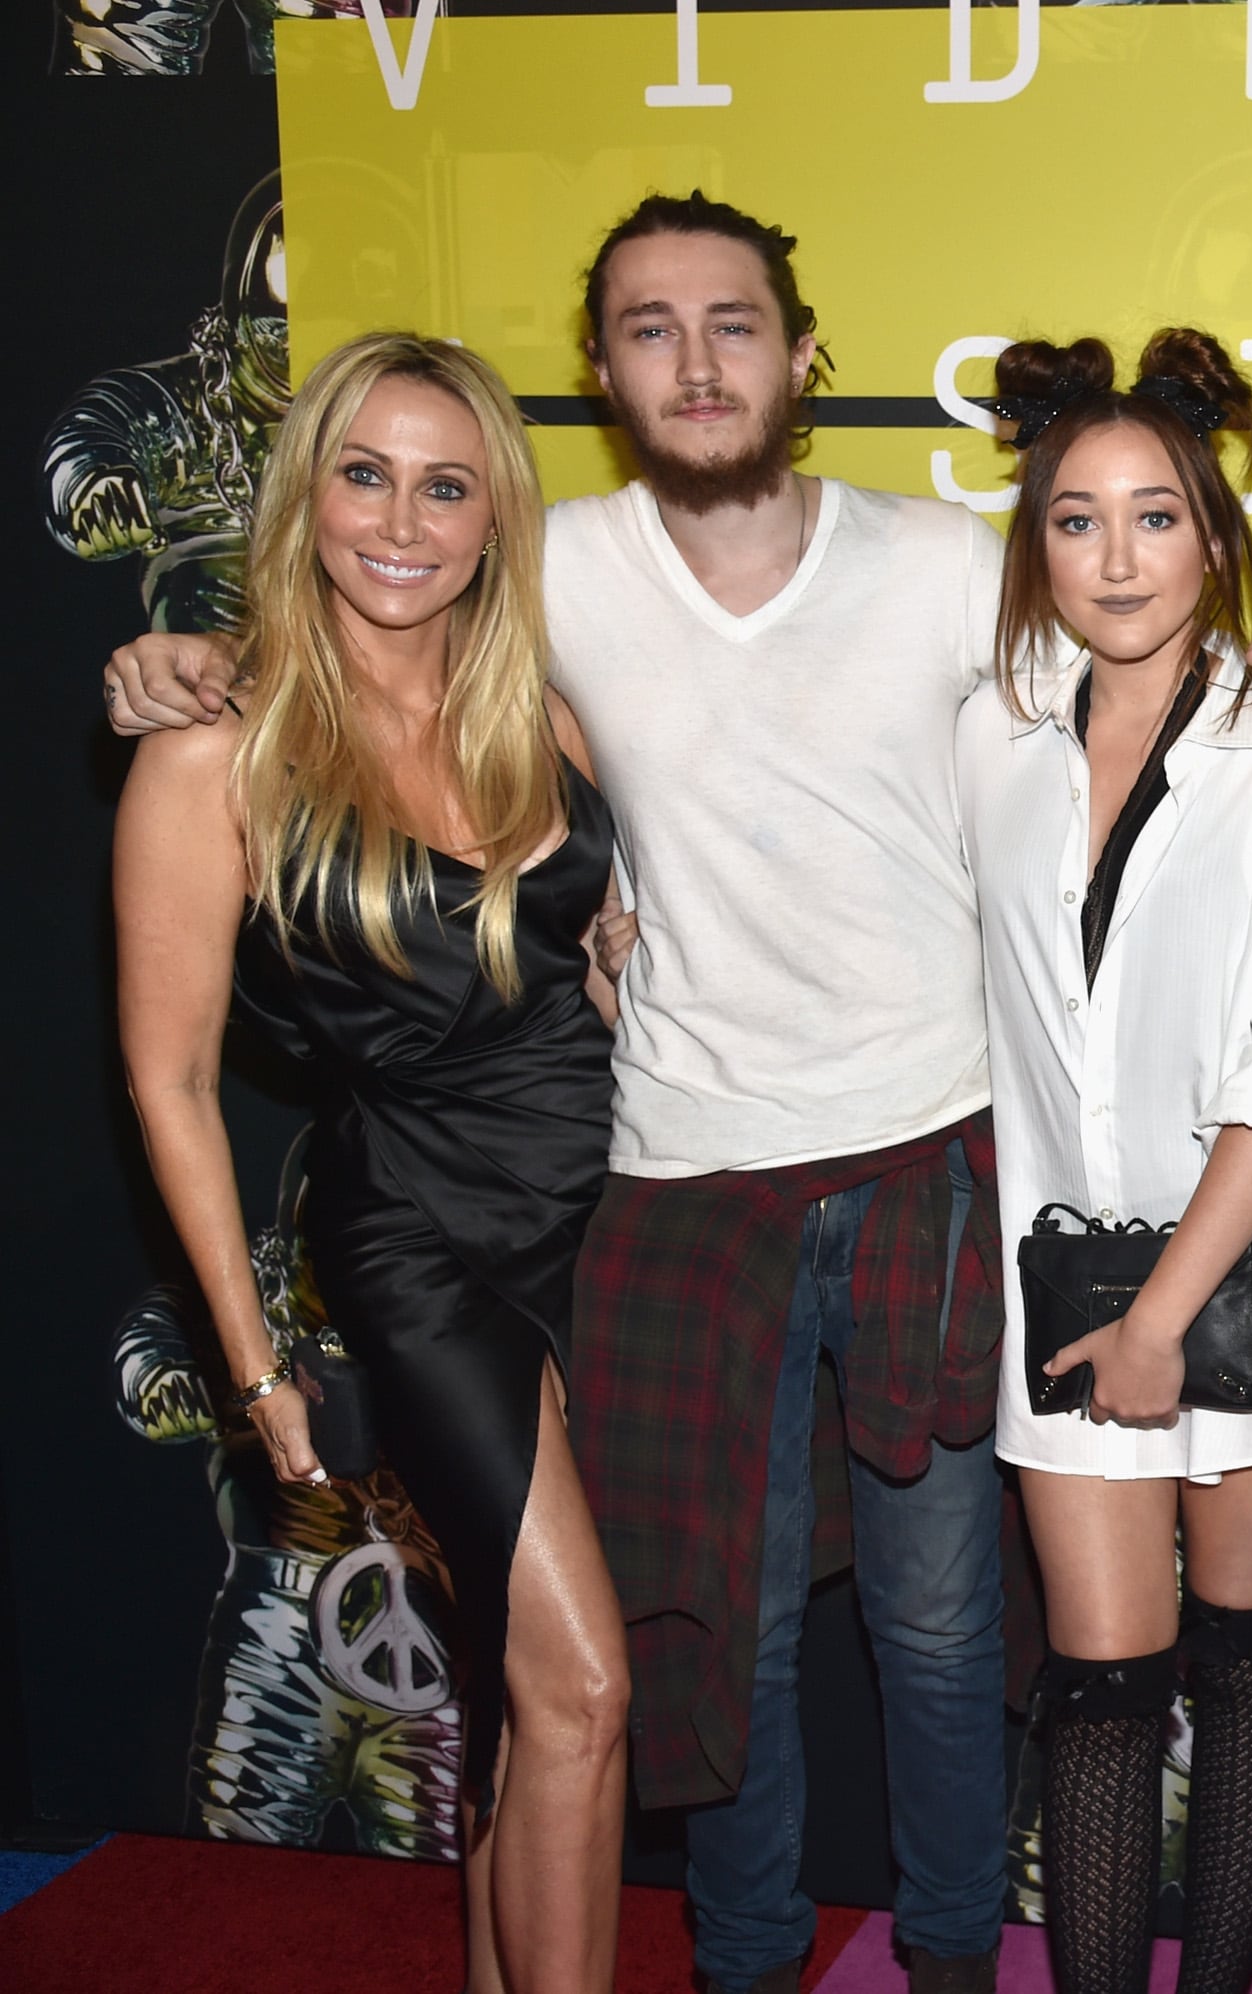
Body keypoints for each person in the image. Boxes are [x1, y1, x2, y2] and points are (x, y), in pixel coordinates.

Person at [98, 193, 1252, 1994]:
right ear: (601, 371)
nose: (695, 361)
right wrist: (179, 660)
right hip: (676, 1182)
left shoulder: (947, 561)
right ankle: (750, 1963)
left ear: (801, 353)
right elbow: (346, 672)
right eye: (647, 329)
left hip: (935, 1155)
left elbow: (1146, 656)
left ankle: (943, 1961)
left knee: (939, 1633)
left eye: (733, 323)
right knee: (716, 1647)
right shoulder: (543, 577)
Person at [114, 331, 631, 1994]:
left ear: (493, 519)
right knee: (585, 1685)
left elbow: (604, 962)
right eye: (364, 474)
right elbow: (170, 1082)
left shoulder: (544, 718)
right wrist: (255, 1367)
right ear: (307, 494)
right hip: (418, 1234)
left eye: (445, 484)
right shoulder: (216, 754)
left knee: (505, 1677)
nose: (400, 520)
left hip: (612, 1206)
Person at [957, 327, 1252, 1994]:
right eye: (1076, 519)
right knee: (1102, 1682)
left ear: (1215, 535)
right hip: (1062, 1277)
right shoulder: (990, 745)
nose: (1116, 556)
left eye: (1154, 516)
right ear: (1035, 543)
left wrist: (1164, 1320)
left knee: (1247, 1646)